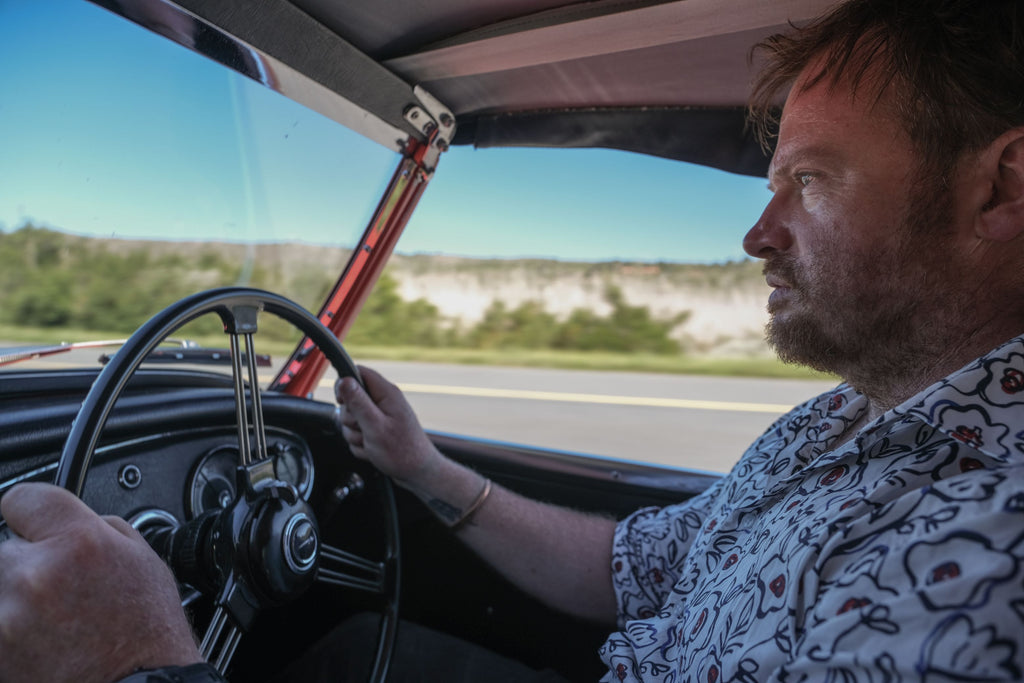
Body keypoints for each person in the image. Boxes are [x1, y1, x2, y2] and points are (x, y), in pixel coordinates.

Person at [3, 0, 1024, 680]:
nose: (756, 234)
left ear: (1002, 187)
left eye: (809, 180)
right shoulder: (839, 420)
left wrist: (139, 656)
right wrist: (423, 465)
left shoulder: (989, 555)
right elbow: (634, 566)